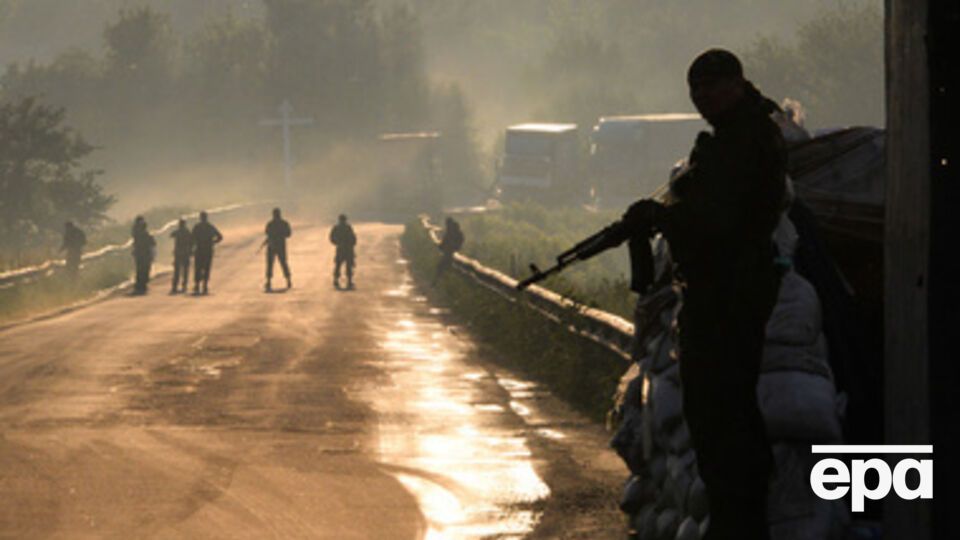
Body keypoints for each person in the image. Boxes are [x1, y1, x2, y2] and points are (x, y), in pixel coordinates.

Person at [621, 49, 786, 539]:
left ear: (736, 84)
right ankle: (736, 518)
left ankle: (740, 523)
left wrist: (663, 220)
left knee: (723, 419)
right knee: (719, 419)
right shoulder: (739, 136)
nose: (702, 99)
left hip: (730, 296)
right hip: (725, 293)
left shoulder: (745, 140)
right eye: (696, 91)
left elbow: (720, 222)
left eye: (711, 88)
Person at [191, 211, 223, 295]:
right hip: (208, 250)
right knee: (206, 267)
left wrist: (192, 247)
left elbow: (191, 238)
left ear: (200, 218)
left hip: (199, 250)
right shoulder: (210, 227)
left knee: (198, 267)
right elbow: (220, 237)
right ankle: (204, 285)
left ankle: (197, 285)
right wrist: (213, 242)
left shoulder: (197, 227)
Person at [263, 207, 292, 291]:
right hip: (281, 246)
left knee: (270, 264)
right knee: (283, 263)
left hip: (272, 246)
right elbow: (288, 234)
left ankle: (268, 281)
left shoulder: (270, 224)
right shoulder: (284, 223)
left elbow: (267, 233)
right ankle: (288, 280)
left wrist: (273, 237)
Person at [432, 217, 464, 286]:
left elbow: (446, 242)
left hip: (451, 252)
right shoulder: (454, 231)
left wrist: (442, 246)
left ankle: (437, 282)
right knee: (444, 267)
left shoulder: (452, 232)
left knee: (441, 267)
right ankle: (440, 282)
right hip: (451, 251)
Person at [329, 214, 356, 289]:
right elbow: (353, 238)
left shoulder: (336, 228)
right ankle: (349, 281)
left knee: (338, 265)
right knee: (348, 266)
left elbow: (332, 238)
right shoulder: (348, 228)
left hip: (340, 249)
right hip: (348, 249)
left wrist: (338, 243)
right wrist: (351, 245)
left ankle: (336, 280)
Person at [131, 216, 155, 294]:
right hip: (144, 254)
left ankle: (140, 285)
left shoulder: (136, 232)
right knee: (144, 269)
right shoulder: (142, 234)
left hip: (139, 254)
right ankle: (141, 285)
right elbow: (152, 243)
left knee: (140, 269)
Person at [170, 218, 192, 293]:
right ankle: (184, 285)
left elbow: (171, 235)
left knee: (177, 270)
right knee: (185, 271)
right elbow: (192, 241)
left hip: (178, 253)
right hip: (185, 253)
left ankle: (175, 286)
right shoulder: (187, 232)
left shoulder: (178, 232)